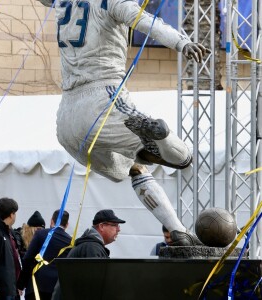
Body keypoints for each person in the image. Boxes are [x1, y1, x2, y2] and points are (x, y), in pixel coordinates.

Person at [38, 0, 207, 245]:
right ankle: (160, 134)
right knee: (183, 158)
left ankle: (178, 231)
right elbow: (148, 23)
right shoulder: (114, 2)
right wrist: (182, 42)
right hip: (103, 98)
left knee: (135, 168)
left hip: (66, 118)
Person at [51, 209, 125, 300]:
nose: (118, 229)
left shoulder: (91, 245)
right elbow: (95, 286)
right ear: (101, 226)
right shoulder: (91, 247)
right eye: (115, 225)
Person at [17, 210, 71, 300]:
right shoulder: (70, 241)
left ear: (51, 221)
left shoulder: (40, 234)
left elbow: (27, 259)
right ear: (67, 224)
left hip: (37, 286)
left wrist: (21, 284)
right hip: (57, 289)